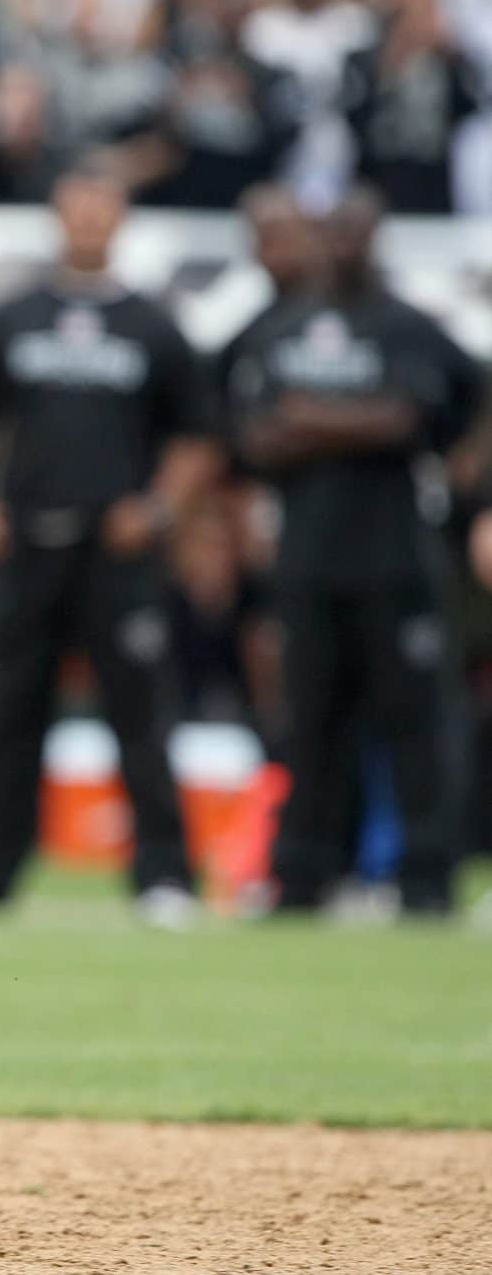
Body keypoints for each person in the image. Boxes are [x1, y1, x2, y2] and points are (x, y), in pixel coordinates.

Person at [0, 164, 219, 926]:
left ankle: (164, 878)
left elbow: (198, 434)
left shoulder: (153, 324)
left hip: (118, 552)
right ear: (59, 215)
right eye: (78, 205)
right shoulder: (16, 315)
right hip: (27, 541)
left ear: (121, 218)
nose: (89, 219)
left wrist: (157, 508)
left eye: (103, 206)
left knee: (141, 712)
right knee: (9, 711)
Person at [220, 188, 481, 915]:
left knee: (416, 725)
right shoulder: (283, 326)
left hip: (397, 558)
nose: (342, 245)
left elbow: (424, 414)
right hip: (305, 560)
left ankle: (426, 882)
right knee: (308, 725)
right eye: (332, 232)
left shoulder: (406, 326)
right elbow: (252, 433)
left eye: (356, 232)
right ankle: (303, 878)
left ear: (378, 237)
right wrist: (361, 424)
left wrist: (317, 423)